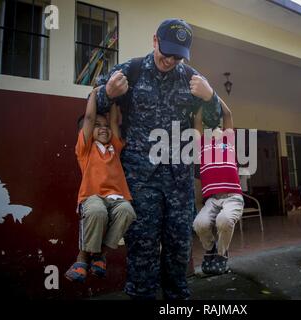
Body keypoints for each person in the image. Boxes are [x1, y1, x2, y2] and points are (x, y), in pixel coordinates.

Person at [95, 19, 221, 299]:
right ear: (155, 41)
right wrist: (107, 93)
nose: (171, 60)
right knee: (142, 249)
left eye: (178, 56)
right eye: (167, 52)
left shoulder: (190, 77)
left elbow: (214, 120)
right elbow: (97, 105)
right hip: (141, 181)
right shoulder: (132, 70)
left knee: (179, 249)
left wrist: (210, 97)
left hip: (179, 181)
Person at [65, 87, 136, 283]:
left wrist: (113, 98)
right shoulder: (85, 149)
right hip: (92, 196)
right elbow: (88, 118)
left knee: (127, 212)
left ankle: (100, 254)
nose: (103, 128)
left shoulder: (114, 145)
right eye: (98, 125)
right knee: (97, 212)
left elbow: (113, 121)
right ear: (86, 132)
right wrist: (95, 94)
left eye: (105, 125)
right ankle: (82, 258)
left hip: (117, 197)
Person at [193, 99, 244, 275]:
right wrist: (200, 104)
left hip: (232, 197)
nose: (217, 129)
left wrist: (212, 96)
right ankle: (210, 249)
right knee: (199, 224)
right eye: (212, 128)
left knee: (224, 220)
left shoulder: (228, 142)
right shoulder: (202, 146)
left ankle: (222, 254)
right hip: (213, 200)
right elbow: (197, 121)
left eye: (220, 128)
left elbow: (228, 114)